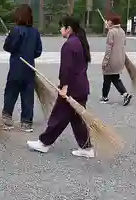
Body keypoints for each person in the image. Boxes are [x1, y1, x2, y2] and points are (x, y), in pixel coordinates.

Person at [27, 16, 94, 158]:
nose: (60, 29)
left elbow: (66, 69)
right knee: (77, 119)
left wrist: (64, 86)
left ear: (68, 28)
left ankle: (44, 143)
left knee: (58, 116)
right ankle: (86, 148)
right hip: (81, 87)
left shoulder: (69, 45)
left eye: (61, 26)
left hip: (72, 89)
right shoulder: (81, 42)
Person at [2, 4, 42, 132]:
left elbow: (8, 47)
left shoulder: (16, 30)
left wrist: (9, 38)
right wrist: (30, 54)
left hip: (16, 67)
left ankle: (7, 118)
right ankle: (26, 122)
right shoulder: (35, 32)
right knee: (27, 95)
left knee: (11, 93)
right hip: (29, 67)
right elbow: (38, 51)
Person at [100, 13, 133, 106]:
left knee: (107, 78)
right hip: (120, 59)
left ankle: (105, 97)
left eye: (109, 20)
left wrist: (105, 61)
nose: (107, 21)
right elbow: (124, 43)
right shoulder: (122, 31)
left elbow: (108, 48)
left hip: (111, 60)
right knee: (115, 78)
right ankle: (125, 94)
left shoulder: (111, 32)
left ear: (112, 22)